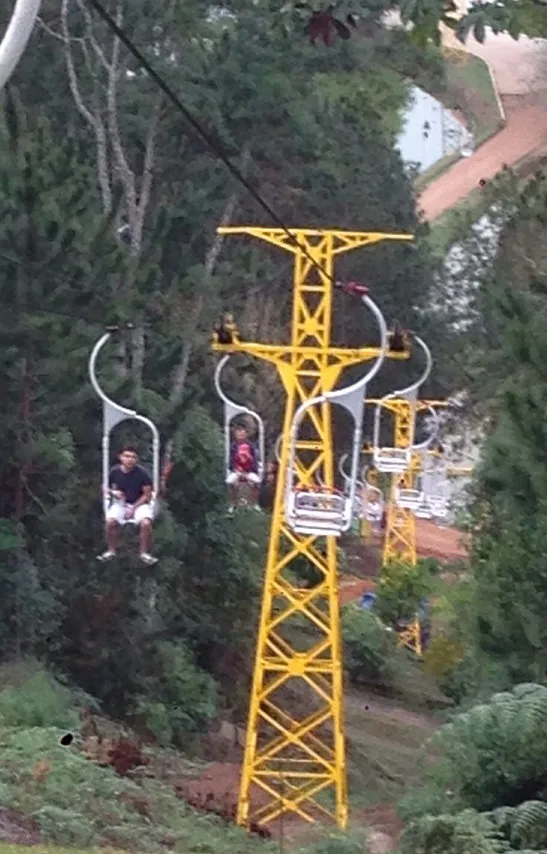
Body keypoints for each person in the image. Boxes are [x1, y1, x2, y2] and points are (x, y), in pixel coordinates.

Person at [97, 445, 158, 565]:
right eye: (127, 456)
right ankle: (111, 550)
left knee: (146, 523)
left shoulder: (142, 473)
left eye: (133, 457)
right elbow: (105, 487)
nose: (130, 459)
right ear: (121, 457)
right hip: (120, 503)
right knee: (110, 522)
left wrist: (133, 508)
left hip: (139, 504)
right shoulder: (114, 472)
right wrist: (113, 492)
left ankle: (144, 553)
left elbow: (147, 494)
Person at [226, 424, 261, 514]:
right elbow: (231, 460)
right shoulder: (233, 447)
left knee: (257, 482)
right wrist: (236, 470)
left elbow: (254, 460)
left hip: (249, 471)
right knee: (230, 482)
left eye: (242, 434)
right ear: (235, 435)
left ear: (246, 435)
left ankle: (254, 504)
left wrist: (249, 472)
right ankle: (232, 504)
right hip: (236, 471)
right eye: (239, 434)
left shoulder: (251, 446)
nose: (241, 436)